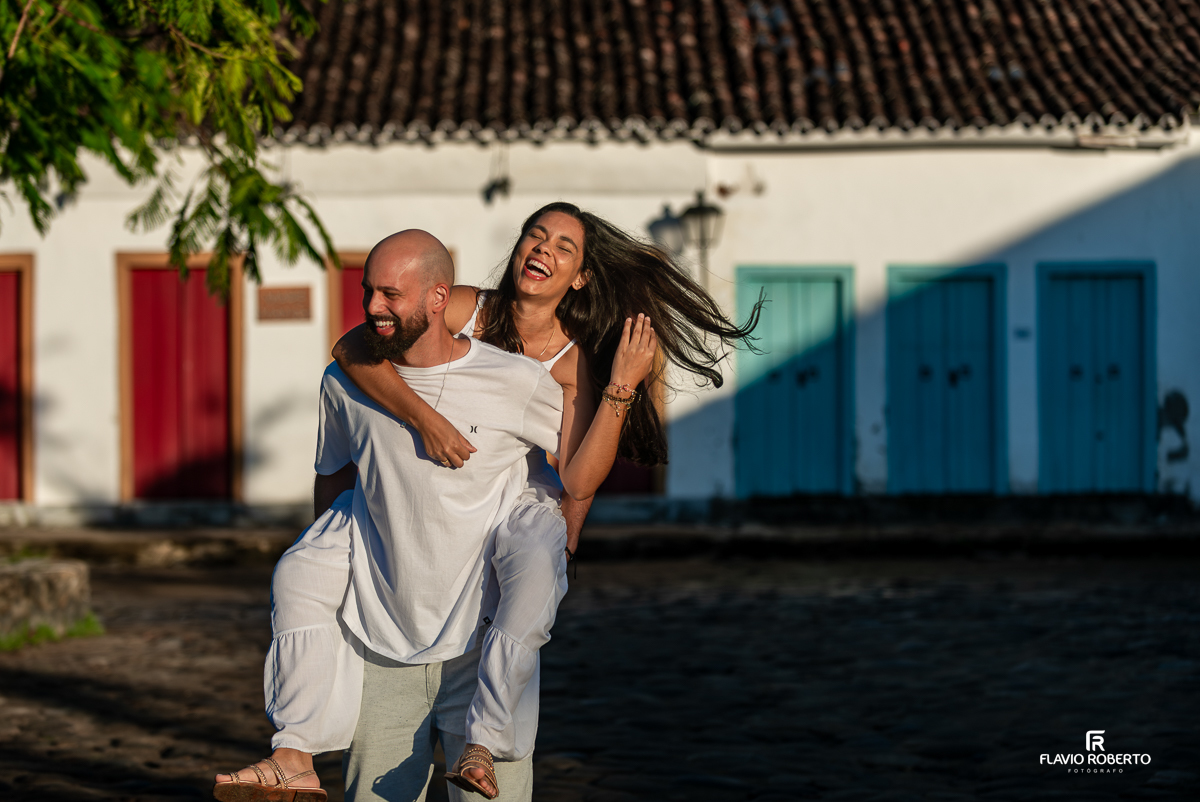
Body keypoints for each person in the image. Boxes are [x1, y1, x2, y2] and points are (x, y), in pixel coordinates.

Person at [216, 204, 759, 800]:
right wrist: (426, 421)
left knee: (536, 550)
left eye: (563, 247)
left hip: (505, 519)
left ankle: (486, 737)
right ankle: (294, 749)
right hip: (415, 540)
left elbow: (576, 479)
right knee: (302, 567)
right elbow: (355, 349)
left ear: (580, 276)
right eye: (535, 234)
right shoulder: (467, 307)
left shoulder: (568, 361)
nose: (543, 248)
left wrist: (565, 544)